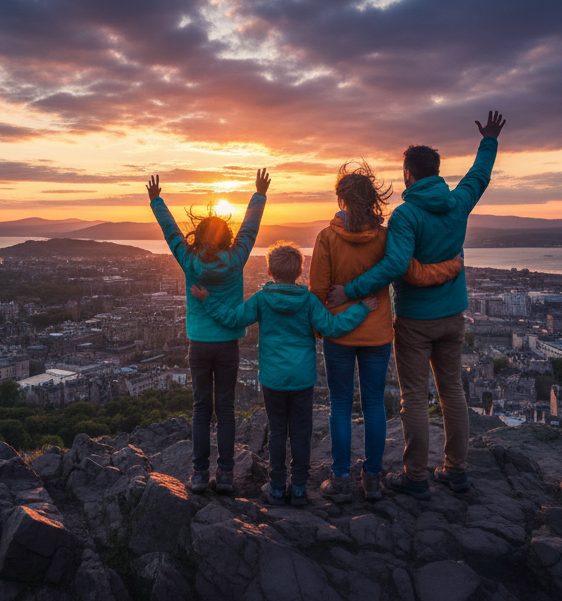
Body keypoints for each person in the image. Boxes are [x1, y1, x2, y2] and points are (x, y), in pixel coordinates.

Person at [327, 111, 506, 497]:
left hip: (414, 319)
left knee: (413, 396)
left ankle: (416, 477)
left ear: (408, 174)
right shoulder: (458, 203)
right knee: (452, 392)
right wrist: (488, 140)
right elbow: (479, 176)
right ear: (436, 172)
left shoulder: (406, 214)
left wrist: (351, 290)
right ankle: (456, 471)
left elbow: (394, 265)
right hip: (453, 316)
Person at [309, 162, 466, 503]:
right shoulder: (385, 236)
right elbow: (405, 269)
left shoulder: (326, 238)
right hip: (378, 334)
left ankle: (339, 479)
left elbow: (317, 292)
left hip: (338, 333)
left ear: (341, 199)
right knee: (374, 406)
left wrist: (322, 326)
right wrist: (453, 264)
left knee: (339, 404)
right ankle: (373, 479)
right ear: (372, 199)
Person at [191, 242, 376, 506]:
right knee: (301, 432)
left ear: (269, 271)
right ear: (300, 271)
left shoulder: (262, 299)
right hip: (302, 378)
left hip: (273, 379)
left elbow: (232, 318)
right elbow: (333, 327)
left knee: (278, 432)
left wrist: (207, 300)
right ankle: (299, 488)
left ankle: (277, 487)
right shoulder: (309, 300)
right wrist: (362, 308)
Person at [148, 169, 269, 495]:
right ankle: (226, 473)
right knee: (226, 409)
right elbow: (250, 230)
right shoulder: (237, 259)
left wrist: (157, 201)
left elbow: (171, 232)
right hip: (228, 343)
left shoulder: (190, 261)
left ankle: (200, 474)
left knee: (202, 408)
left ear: (198, 237)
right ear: (227, 238)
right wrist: (258, 195)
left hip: (199, 343)